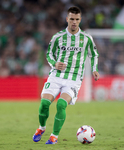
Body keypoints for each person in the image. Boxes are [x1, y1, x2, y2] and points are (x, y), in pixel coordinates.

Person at [32, 6, 100, 144]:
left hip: (74, 78)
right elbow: (49, 54)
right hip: (56, 75)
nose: (74, 22)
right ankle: (41, 128)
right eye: (71, 19)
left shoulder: (86, 38)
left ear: (80, 20)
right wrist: (54, 64)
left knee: (61, 104)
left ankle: (54, 136)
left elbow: (93, 54)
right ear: (67, 19)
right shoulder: (58, 37)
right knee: (44, 103)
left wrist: (94, 69)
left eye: (76, 19)